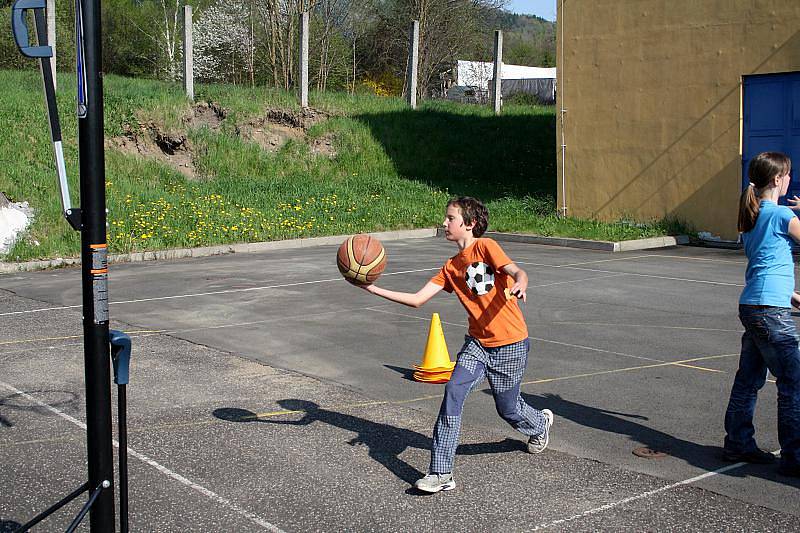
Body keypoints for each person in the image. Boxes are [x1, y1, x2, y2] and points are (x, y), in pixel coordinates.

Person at [356, 196, 553, 492]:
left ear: (470, 224)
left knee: (508, 408)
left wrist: (522, 282)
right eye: (446, 218)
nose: (445, 223)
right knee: (453, 392)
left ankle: (539, 424)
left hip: (511, 344)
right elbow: (417, 300)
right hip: (477, 345)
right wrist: (371, 287)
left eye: (450, 218)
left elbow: (516, 272)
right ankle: (441, 473)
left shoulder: (486, 247)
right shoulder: (450, 267)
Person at [723, 151, 800, 477]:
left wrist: (789, 294)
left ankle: (738, 442)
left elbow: (767, 263)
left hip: (755, 303)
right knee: (793, 382)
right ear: (777, 179)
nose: (789, 180)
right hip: (769, 309)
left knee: (749, 378)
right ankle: (794, 456)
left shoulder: (752, 216)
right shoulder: (782, 214)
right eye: (787, 175)